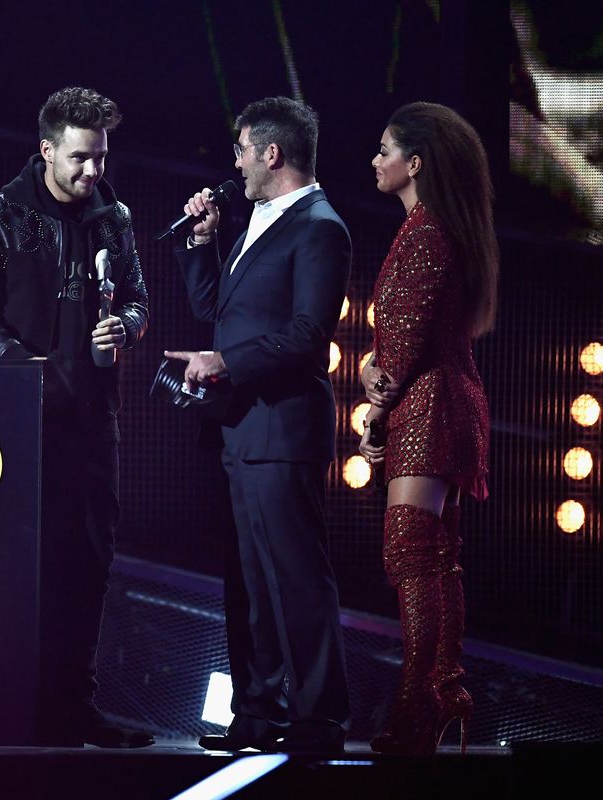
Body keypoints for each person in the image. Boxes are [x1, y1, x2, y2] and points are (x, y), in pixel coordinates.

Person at [0, 87, 152, 748]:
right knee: (16, 567)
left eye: (99, 158)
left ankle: (73, 708)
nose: (92, 171)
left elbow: (142, 303)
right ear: (45, 151)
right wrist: (23, 366)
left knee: (87, 566)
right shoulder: (1, 214)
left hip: (93, 422)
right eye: (80, 159)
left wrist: (123, 324)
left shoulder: (114, 218)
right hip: (18, 426)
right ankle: (6, 705)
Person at [165, 96, 352, 753]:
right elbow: (222, 309)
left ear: (273, 153)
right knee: (247, 578)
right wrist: (201, 244)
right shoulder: (261, 219)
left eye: (243, 149)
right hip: (242, 428)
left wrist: (226, 361)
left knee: (294, 575)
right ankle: (259, 708)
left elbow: (308, 337)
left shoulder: (320, 228)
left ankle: (318, 712)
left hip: (283, 427)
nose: (236, 162)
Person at [358, 102, 498, 756]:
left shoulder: (426, 232)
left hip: (429, 408)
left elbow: (405, 345)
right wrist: (370, 368)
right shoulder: (436, 230)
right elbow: (400, 339)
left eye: (385, 150)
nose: (375, 161)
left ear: (414, 163)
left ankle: (419, 706)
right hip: (445, 402)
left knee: (411, 555)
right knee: (435, 559)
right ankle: (444, 689)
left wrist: (374, 414)